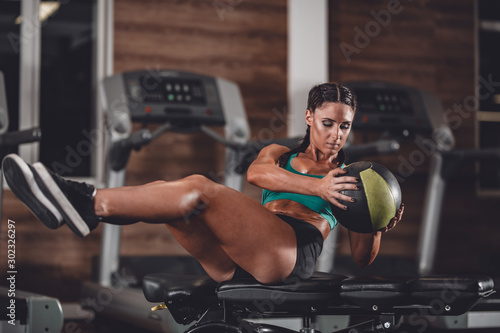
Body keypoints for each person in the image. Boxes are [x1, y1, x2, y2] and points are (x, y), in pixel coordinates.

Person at [2, 82, 403, 285]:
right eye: (328, 122)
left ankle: (85, 203)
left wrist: (380, 225)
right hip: (233, 262)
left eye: (345, 126)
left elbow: (362, 258)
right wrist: (316, 188)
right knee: (176, 203)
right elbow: (255, 175)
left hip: (288, 254)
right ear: (310, 117)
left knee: (198, 186)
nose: (336, 134)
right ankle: (83, 208)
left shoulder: (353, 179)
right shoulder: (279, 153)